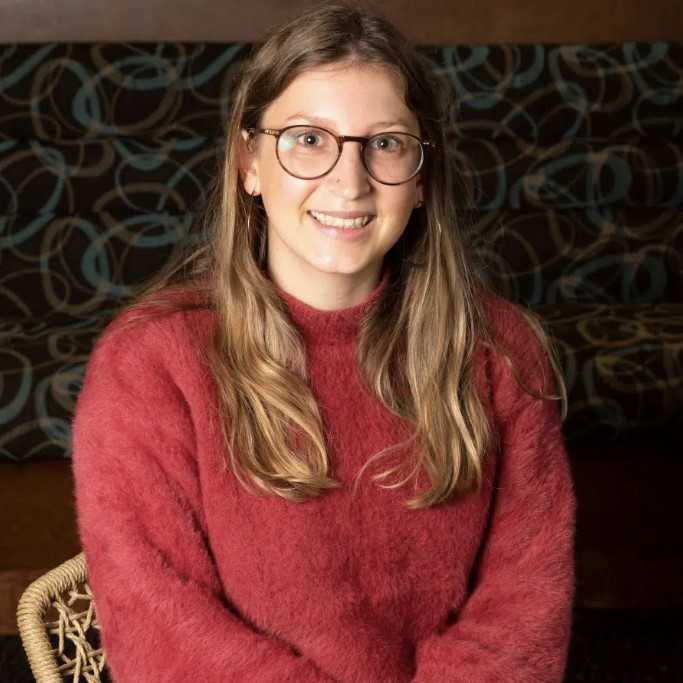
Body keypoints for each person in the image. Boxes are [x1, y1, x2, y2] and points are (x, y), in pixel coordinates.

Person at [71, 4, 576, 682]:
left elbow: (525, 608)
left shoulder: (499, 352)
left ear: (422, 175)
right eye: (309, 139)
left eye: (385, 143)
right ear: (249, 161)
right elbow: (163, 630)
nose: (349, 180)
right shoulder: (149, 363)